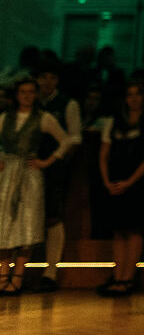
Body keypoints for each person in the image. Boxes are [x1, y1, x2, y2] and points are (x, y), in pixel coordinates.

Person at [0, 78, 71, 295]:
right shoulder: (5, 118)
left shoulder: (43, 118)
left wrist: (47, 161)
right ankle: (3, 276)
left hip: (29, 175)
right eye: (23, 92)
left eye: (31, 92)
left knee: (25, 226)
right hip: (7, 174)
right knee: (5, 227)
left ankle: (18, 278)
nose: (27, 96)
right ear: (17, 94)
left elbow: (66, 140)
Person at [97, 80, 144, 297]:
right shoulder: (113, 123)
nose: (134, 99)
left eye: (138, 94)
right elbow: (104, 155)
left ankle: (128, 278)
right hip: (115, 181)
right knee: (118, 231)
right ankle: (117, 276)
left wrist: (130, 181)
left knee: (133, 230)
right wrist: (106, 181)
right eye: (130, 94)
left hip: (137, 183)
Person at [34, 58, 81, 293]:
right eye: (43, 77)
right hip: (28, 167)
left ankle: (50, 272)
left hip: (54, 167)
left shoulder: (67, 104)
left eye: (52, 77)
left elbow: (75, 138)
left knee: (53, 216)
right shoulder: (29, 101)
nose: (48, 82)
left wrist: (57, 163)